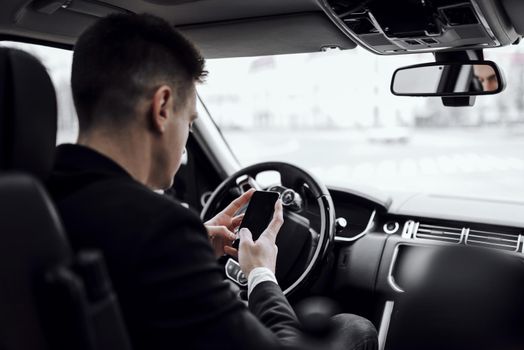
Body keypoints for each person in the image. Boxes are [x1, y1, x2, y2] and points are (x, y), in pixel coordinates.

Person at [47, 13, 377, 350]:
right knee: (353, 328)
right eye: (189, 122)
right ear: (161, 107)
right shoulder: (160, 228)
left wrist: (196, 250)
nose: (187, 146)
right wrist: (261, 274)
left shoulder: (36, 196)